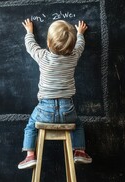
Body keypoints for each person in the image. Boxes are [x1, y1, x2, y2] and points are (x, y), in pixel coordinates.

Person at [18, 18, 92, 170]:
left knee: (31, 125)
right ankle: (79, 151)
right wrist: (80, 34)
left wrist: (29, 32)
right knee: (77, 125)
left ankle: (30, 155)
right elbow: (80, 46)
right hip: (67, 110)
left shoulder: (43, 57)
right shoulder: (73, 57)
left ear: (49, 43)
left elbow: (30, 46)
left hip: (44, 109)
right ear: (70, 46)